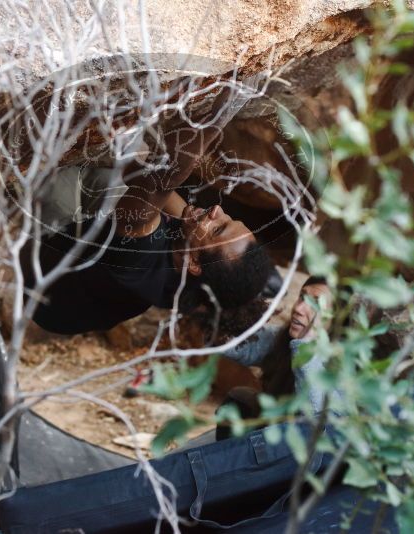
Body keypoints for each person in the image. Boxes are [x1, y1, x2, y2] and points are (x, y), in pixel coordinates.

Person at [24, 84, 274, 335]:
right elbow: (151, 179)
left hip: (48, 286)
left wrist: (221, 113)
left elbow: (158, 182)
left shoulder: (141, 263)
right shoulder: (192, 256)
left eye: (218, 228)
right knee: (122, 181)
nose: (217, 210)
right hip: (95, 263)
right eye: (229, 219)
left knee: (50, 170)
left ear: (195, 263)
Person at [216, 275, 336, 439]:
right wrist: (251, 311)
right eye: (302, 297)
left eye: (315, 303)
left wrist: (305, 345)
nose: (299, 308)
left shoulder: (340, 365)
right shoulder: (283, 338)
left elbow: (317, 421)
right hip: (269, 431)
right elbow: (234, 343)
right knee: (238, 398)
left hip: (300, 451)